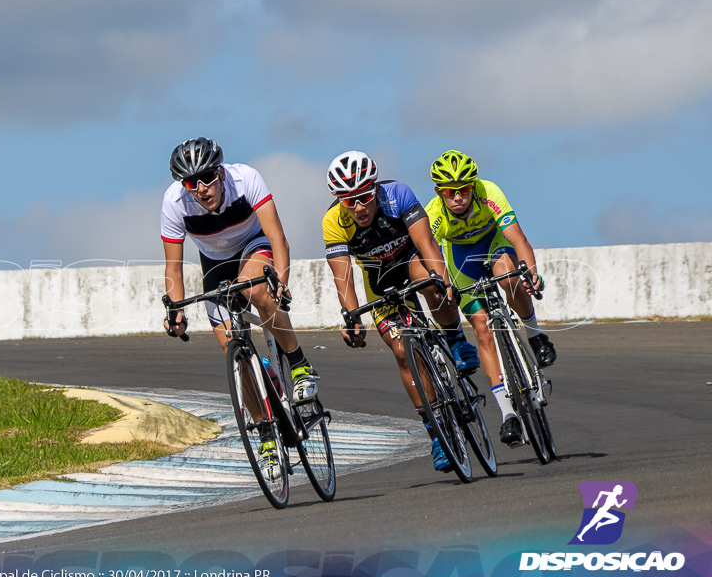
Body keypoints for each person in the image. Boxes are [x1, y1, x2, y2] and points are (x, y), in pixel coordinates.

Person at [161, 137, 318, 481]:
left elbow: (278, 238)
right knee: (231, 349)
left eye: (207, 177)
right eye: (191, 182)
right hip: (215, 264)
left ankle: (298, 364)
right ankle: (265, 434)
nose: (201, 189)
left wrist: (282, 281)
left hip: (254, 244)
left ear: (220, 172)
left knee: (258, 289)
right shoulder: (174, 203)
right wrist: (175, 309)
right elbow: (173, 268)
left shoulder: (245, 179)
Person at [321, 150, 480, 473]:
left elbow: (427, 246)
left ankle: (455, 339)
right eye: (348, 201)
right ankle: (436, 432)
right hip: (379, 282)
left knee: (430, 281)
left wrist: (445, 282)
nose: (359, 207)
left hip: (411, 260)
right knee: (401, 352)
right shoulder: (333, 222)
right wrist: (351, 317)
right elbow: (344, 277)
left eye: (364, 197)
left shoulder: (397, 195)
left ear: (375, 189)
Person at [425, 149, 557, 448]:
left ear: (474, 187)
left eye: (464, 190)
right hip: (462, 261)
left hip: (494, 244)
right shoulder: (433, 213)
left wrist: (531, 275)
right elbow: (432, 258)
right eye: (449, 192)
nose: (457, 197)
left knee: (510, 278)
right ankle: (508, 414)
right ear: (438, 193)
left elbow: (518, 239)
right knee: (483, 331)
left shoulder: (490, 193)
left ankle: (535, 335)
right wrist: (445, 287)